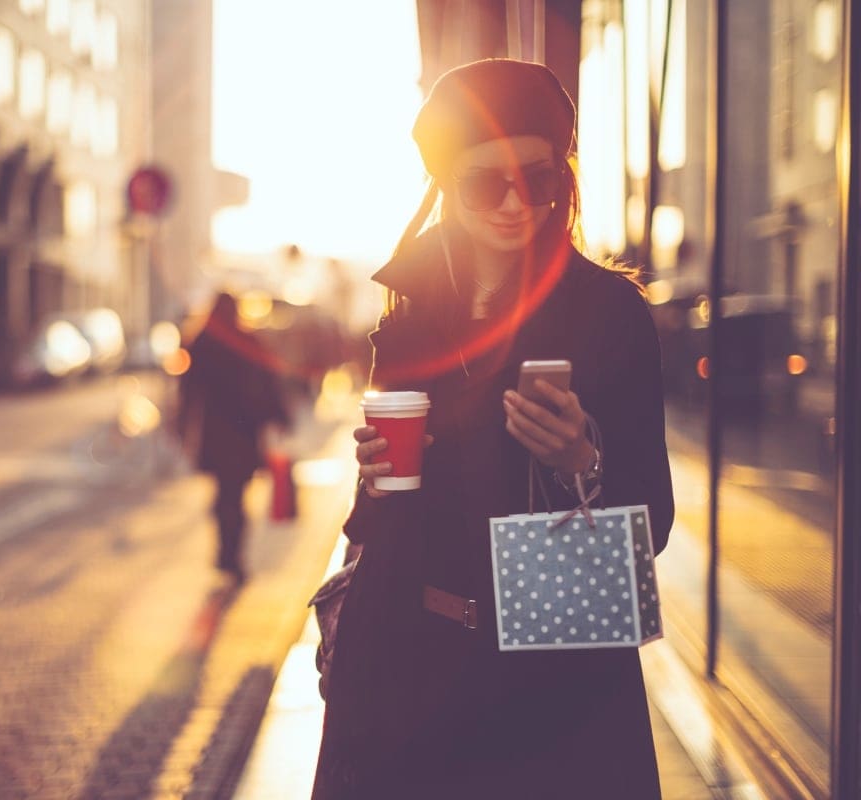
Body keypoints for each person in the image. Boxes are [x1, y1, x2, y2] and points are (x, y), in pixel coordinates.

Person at [311, 59, 675, 798]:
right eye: (487, 184)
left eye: (538, 180)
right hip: (414, 669)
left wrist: (581, 459)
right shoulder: (410, 312)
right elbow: (371, 522)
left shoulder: (609, 313)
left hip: (559, 682)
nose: (515, 204)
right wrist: (376, 478)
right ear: (446, 183)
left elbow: (655, 520)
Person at [176, 291, 291, 582]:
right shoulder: (246, 341)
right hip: (243, 434)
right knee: (235, 496)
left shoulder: (200, 342)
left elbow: (187, 392)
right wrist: (279, 417)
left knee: (224, 495)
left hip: (214, 434)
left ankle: (225, 553)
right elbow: (267, 383)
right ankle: (232, 555)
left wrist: (181, 426)